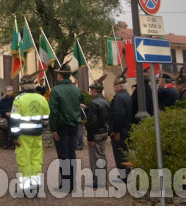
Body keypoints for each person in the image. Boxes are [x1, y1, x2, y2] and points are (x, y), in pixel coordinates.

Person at [10, 72, 50, 195]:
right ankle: (36, 185)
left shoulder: (19, 99)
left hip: (23, 135)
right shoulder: (42, 98)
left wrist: (14, 136)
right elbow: (46, 117)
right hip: (37, 134)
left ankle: (26, 187)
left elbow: (14, 119)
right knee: (36, 160)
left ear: (23, 87)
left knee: (24, 160)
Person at [49, 62, 81, 193]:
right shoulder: (75, 89)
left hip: (62, 126)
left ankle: (66, 183)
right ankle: (72, 182)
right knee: (71, 153)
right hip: (74, 125)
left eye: (58, 74)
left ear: (61, 76)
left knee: (63, 155)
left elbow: (54, 111)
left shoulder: (56, 90)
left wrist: (53, 128)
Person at [86, 75, 111, 189]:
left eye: (91, 90)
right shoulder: (105, 102)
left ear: (95, 91)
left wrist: (90, 138)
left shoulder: (94, 103)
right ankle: (102, 179)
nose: (90, 92)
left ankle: (99, 181)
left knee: (96, 158)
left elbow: (92, 122)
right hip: (104, 131)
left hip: (96, 133)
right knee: (102, 156)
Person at [108, 67, 132, 182]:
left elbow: (117, 116)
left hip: (120, 131)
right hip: (126, 129)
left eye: (115, 86)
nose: (113, 88)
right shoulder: (127, 96)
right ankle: (127, 174)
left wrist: (116, 131)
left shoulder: (118, 98)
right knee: (125, 152)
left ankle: (124, 176)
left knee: (120, 154)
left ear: (120, 87)